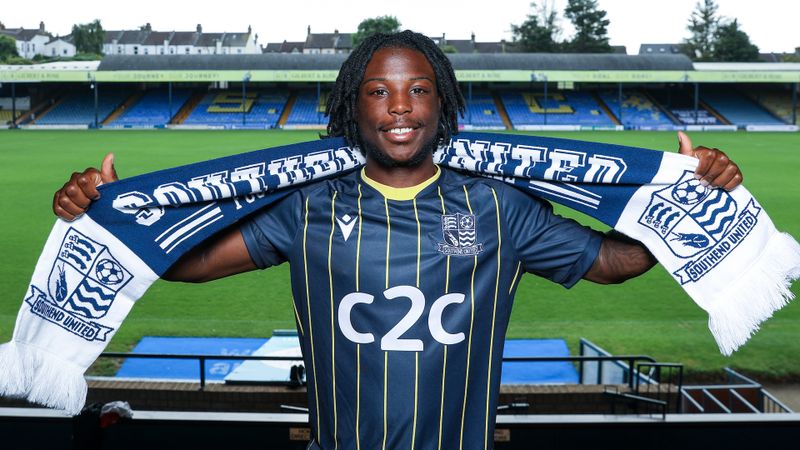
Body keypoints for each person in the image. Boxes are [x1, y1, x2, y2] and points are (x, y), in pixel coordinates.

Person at [53, 31, 742, 450]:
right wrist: (105, 217)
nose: (401, 106)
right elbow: (191, 262)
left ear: (443, 103)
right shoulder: (308, 205)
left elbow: (614, 262)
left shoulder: (499, 204)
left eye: (418, 90)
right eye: (379, 92)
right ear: (353, 106)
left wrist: (681, 206)